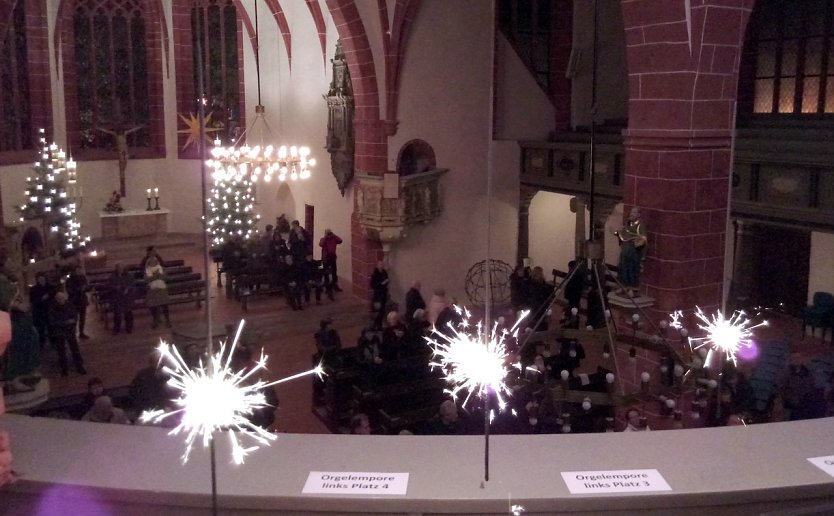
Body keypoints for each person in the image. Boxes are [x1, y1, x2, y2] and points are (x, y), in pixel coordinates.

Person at [4, 285, 41, 381]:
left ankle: (29, 369)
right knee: (17, 351)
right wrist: (14, 305)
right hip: (14, 328)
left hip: (24, 327)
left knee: (31, 344)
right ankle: (16, 374)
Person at [48, 291, 86, 376]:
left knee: (75, 349)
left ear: (65, 298)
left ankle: (79, 366)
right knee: (61, 351)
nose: (61, 300)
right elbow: (52, 321)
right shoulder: (53, 308)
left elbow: (75, 316)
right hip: (59, 332)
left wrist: (72, 323)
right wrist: (64, 322)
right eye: (59, 298)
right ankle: (64, 369)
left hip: (69, 330)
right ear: (56, 299)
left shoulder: (70, 306)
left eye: (62, 298)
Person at [615, 207, 647, 295]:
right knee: (623, 269)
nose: (631, 214)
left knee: (632, 270)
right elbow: (624, 234)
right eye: (631, 212)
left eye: (634, 213)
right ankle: (624, 287)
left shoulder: (640, 225)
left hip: (633, 252)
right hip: (625, 250)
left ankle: (632, 289)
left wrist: (636, 242)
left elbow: (643, 239)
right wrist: (618, 233)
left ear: (639, 215)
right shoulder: (628, 223)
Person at [144, 256, 171, 329]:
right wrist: (156, 276)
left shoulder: (161, 268)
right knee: (153, 307)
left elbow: (165, 277)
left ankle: (167, 321)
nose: (153, 262)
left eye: (154, 261)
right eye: (151, 261)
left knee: (165, 306)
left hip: (161, 289)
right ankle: (155, 320)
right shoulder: (147, 270)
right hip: (152, 290)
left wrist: (156, 276)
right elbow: (146, 280)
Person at [29, 272, 54, 349]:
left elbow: (54, 297)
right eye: (39, 279)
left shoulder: (50, 287)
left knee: (51, 327)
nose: (41, 280)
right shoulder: (34, 289)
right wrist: (41, 299)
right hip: (39, 311)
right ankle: (41, 343)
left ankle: (53, 342)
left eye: (42, 278)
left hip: (49, 310)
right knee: (41, 329)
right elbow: (32, 301)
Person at [109, 263, 135, 335]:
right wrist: (115, 287)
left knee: (128, 314)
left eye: (121, 268)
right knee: (117, 314)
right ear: (116, 268)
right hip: (117, 297)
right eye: (118, 268)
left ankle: (129, 328)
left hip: (127, 297)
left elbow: (132, 283)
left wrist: (127, 288)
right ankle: (117, 329)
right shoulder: (113, 276)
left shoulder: (128, 275)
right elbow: (109, 285)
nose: (120, 270)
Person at [65, 265, 90, 339]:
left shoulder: (83, 278)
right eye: (77, 270)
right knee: (74, 318)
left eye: (80, 270)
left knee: (82, 318)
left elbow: (87, 287)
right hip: (74, 301)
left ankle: (81, 333)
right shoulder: (69, 280)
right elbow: (70, 290)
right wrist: (79, 289)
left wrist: (86, 288)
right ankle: (73, 333)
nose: (79, 271)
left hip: (82, 300)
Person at [370, 261, 389, 330]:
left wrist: (386, 282)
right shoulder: (375, 274)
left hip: (383, 294)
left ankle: (379, 325)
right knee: (378, 311)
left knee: (382, 311)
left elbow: (387, 279)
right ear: (377, 266)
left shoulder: (384, 272)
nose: (382, 266)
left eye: (382, 264)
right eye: (380, 265)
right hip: (378, 295)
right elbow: (372, 285)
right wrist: (381, 284)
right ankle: (375, 325)